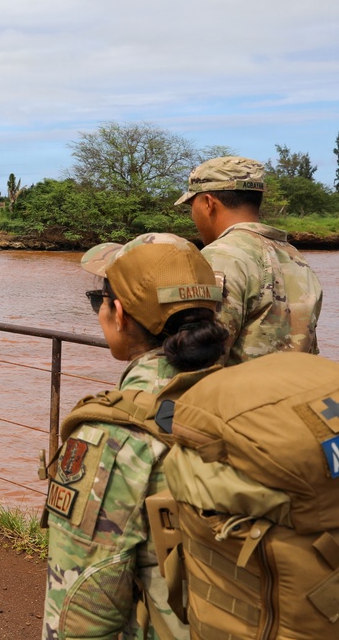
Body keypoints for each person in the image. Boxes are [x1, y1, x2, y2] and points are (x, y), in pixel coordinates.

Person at [42, 233, 229, 640]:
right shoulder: (254, 400)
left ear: (119, 313)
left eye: (99, 301)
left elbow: (82, 601)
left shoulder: (113, 434)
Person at [175, 155, 322, 366]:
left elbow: (199, 357)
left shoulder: (220, 257)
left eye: (192, 205)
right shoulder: (295, 258)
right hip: (293, 395)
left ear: (208, 203)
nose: (192, 215)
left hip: (234, 397)